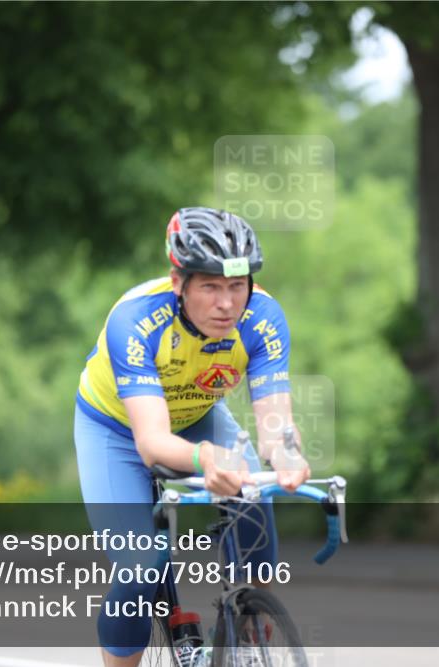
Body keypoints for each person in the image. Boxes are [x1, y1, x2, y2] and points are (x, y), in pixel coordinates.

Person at [73, 207, 311, 666]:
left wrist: (287, 455)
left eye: (236, 286)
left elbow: (275, 422)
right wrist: (207, 460)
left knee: (253, 495)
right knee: (141, 568)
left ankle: (248, 634)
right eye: (210, 286)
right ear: (178, 282)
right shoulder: (136, 321)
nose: (227, 303)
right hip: (116, 430)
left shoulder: (262, 319)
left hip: (196, 415)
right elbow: (152, 443)